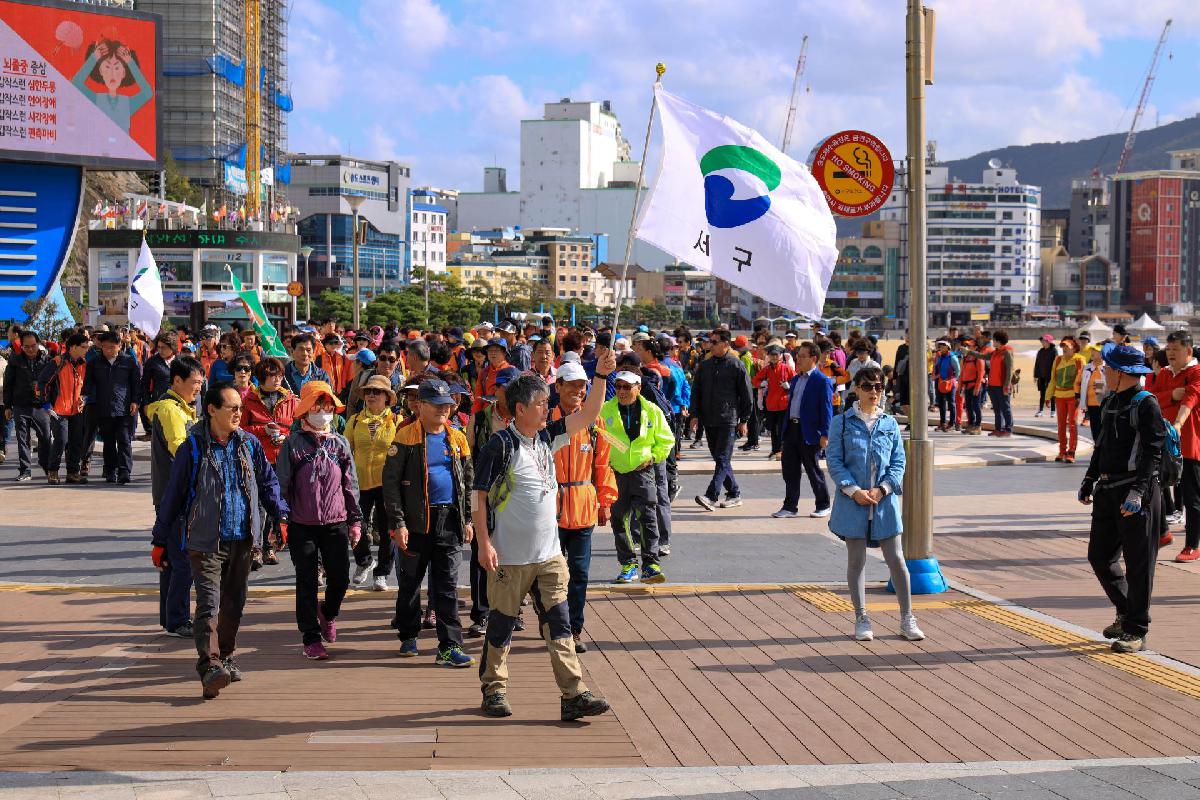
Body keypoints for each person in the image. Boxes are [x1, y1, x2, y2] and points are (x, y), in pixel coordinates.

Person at [471, 347, 615, 721]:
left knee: (560, 623)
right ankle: (494, 689)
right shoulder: (501, 445)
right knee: (502, 623)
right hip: (511, 556)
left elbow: (589, 413)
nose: (546, 408)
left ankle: (573, 694)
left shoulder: (548, 437)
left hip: (549, 555)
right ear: (520, 409)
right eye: (540, 403)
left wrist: (600, 376)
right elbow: (479, 497)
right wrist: (484, 544)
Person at [151, 383, 289, 699]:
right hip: (205, 540)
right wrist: (160, 540)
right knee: (209, 604)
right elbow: (173, 497)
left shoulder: (249, 445)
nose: (239, 413)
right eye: (232, 407)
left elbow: (268, 485)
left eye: (240, 407)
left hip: (243, 538)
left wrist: (280, 518)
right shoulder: (193, 448)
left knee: (234, 604)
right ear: (212, 409)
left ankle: (225, 656)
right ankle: (210, 666)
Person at [826, 366, 924, 643]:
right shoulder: (842, 423)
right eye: (867, 386)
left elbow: (898, 462)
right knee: (856, 561)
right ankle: (861, 617)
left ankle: (907, 618)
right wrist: (853, 490)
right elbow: (834, 461)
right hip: (852, 502)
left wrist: (884, 488)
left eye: (879, 387)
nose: (873, 391)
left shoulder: (890, 424)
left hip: (884, 503)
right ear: (856, 388)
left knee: (897, 560)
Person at [1078, 344, 1165, 654]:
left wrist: (1138, 493)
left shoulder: (1146, 404)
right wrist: (1089, 479)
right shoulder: (1112, 399)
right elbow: (1101, 446)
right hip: (1107, 489)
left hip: (1136, 494)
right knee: (1100, 557)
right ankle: (1127, 612)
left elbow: (1152, 453)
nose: (1103, 372)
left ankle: (1136, 630)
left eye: (1108, 368)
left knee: (1139, 564)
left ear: (1120, 373)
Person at [384, 379, 476, 667]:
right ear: (420, 405)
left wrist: (468, 518)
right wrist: (398, 523)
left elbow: (468, 480)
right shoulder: (405, 437)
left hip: (449, 520)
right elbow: (391, 484)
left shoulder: (458, 438)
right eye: (436, 405)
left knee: (447, 586)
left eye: (447, 405)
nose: (443, 410)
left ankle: (449, 646)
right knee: (410, 582)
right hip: (414, 523)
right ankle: (408, 634)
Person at [276, 381, 362, 660]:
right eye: (317, 405)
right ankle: (310, 637)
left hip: (336, 520)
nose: (324, 412)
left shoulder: (340, 443)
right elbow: (282, 485)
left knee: (340, 578)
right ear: (305, 410)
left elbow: (351, 484)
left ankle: (328, 612)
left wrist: (355, 520)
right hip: (303, 523)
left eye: (328, 406)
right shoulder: (292, 443)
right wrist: (281, 521)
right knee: (306, 580)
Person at [550, 361, 617, 652]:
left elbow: (604, 463)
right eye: (572, 385)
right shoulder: (545, 421)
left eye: (582, 385)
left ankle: (573, 629)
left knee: (579, 572)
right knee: (550, 575)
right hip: (550, 511)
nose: (578, 390)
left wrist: (605, 501)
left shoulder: (595, 423)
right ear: (558, 387)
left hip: (584, 508)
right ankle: (553, 623)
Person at [147, 357, 205, 638]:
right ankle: (179, 618)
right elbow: (181, 451)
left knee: (172, 560)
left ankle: (171, 618)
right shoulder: (171, 411)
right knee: (182, 559)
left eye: (200, 383)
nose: (198, 388)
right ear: (177, 381)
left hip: (171, 494)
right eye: (194, 383)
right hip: (177, 496)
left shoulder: (181, 409)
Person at [601, 368, 675, 584]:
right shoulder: (606, 410)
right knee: (620, 520)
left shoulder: (652, 410)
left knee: (648, 519)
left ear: (638, 388)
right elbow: (599, 434)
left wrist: (652, 457)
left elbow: (666, 440)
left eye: (627, 387)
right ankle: (628, 565)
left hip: (644, 473)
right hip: (617, 473)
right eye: (618, 387)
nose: (621, 391)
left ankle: (651, 564)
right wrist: (613, 455)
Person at [345, 375, 403, 591]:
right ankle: (364, 561)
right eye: (368, 392)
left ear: (387, 397)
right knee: (356, 525)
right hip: (360, 483)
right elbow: (344, 451)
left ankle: (382, 573)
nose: (371, 395)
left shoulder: (397, 421)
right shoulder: (355, 421)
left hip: (387, 483)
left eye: (376, 392)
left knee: (387, 529)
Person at [1150, 330, 1200, 562]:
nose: (1170, 354)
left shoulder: (1197, 371)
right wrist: (1172, 394)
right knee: (1154, 486)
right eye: (1168, 350)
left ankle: (1192, 545)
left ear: (1188, 351)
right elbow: (1153, 398)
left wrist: (1178, 423)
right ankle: (1162, 532)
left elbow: (1190, 399)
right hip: (1165, 442)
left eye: (1175, 350)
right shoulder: (1165, 374)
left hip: (1189, 443)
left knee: (1192, 497)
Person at [240, 357, 296, 565]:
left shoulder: (290, 399)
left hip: (282, 458)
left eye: (280, 376)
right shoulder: (249, 401)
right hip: (258, 457)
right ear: (262, 378)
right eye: (273, 376)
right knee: (258, 505)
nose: (278, 380)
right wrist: (261, 430)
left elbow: (296, 427)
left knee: (277, 504)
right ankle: (256, 548)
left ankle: (270, 546)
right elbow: (241, 429)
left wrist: (285, 435)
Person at [689, 329, 753, 512]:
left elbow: (747, 395)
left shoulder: (736, 365)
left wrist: (744, 420)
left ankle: (711, 496)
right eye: (711, 341)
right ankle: (734, 492)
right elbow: (696, 391)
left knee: (723, 457)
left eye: (715, 342)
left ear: (726, 344)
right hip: (709, 419)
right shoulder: (705, 365)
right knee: (720, 458)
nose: (711, 344)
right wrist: (695, 415)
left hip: (728, 419)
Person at [773, 342, 834, 519]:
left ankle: (823, 504)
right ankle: (790, 506)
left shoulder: (821, 381)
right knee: (790, 469)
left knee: (812, 469)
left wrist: (825, 434)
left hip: (810, 431)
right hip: (792, 429)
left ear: (813, 358)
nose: (798, 359)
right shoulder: (796, 379)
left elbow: (826, 409)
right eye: (798, 356)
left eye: (802, 356)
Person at [84, 330, 141, 484]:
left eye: (112, 347)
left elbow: (136, 384)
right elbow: (88, 384)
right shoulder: (95, 363)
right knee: (108, 441)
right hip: (103, 407)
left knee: (124, 440)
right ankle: (110, 470)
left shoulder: (128, 362)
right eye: (105, 347)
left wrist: (135, 401)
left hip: (124, 408)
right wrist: (85, 397)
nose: (108, 350)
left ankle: (124, 471)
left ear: (119, 346)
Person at [38, 333, 90, 484]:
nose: (86, 350)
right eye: (83, 347)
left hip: (76, 409)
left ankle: (73, 472)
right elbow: (43, 383)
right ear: (73, 347)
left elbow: (86, 386)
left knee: (76, 441)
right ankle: (52, 471)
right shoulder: (58, 362)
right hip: (59, 410)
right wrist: (46, 404)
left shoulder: (83, 364)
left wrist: (84, 398)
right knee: (61, 440)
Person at [3, 330, 51, 482]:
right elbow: (8, 385)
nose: (30, 349)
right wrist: (8, 406)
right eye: (26, 347)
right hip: (20, 405)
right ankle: (25, 470)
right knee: (22, 439)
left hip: (41, 406)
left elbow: (52, 385)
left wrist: (50, 405)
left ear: (38, 344)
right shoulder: (15, 361)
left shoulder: (46, 361)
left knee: (45, 437)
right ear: (21, 346)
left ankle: (45, 463)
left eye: (33, 346)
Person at [753, 343, 795, 460]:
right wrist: (761, 384)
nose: (774, 358)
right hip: (771, 405)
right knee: (773, 429)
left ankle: (781, 450)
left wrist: (789, 385)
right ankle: (775, 450)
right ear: (769, 356)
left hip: (783, 404)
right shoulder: (766, 370)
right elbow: (755, 380)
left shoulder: (787, 368)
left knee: (782, 429)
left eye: (776, 355)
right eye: (772, 355)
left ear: (780, 356)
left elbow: (796, 381)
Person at [1046, 335, 1086, 460]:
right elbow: (1052, 380)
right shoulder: (1058, 360)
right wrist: (1048, 396)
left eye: (1067, 347)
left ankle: (1071, 452)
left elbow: (1082, 381)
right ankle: (1062, 451)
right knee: (1061, 425)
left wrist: (1081, 398)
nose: (1064, 349)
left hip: (1073, 397)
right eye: (1062, 346)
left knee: (1072, 424)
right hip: (1059, 396)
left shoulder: (1080, 360)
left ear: (1074, 348)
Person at [1079, 344, 1108, 441]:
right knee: (1095, 430)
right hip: (1091, 405)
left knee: (1104, 430)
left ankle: (1102, 452)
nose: (1092, 352)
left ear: (1101, 354)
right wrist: (1082, 402)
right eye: (1092, 350)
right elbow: (1081, 385)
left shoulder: (1106, 368)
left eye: (1095, 351)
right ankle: (1098, 450)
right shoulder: (1087, 368)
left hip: (1103, 405)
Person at [1033, 335, 1058, 418]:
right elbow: (1037, 363)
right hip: (1041, 376)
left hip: (1051, 376)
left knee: (1052, 394)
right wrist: (1035, 375)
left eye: (1044, 341)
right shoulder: (1040, 351)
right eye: (1042, 341)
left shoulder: (1054, 351)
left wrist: (1055, 376)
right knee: (1042, 394)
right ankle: (1040, 410)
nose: (1042, 342)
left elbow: (1056, 364)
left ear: (1049, 342)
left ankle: (1053, 411)